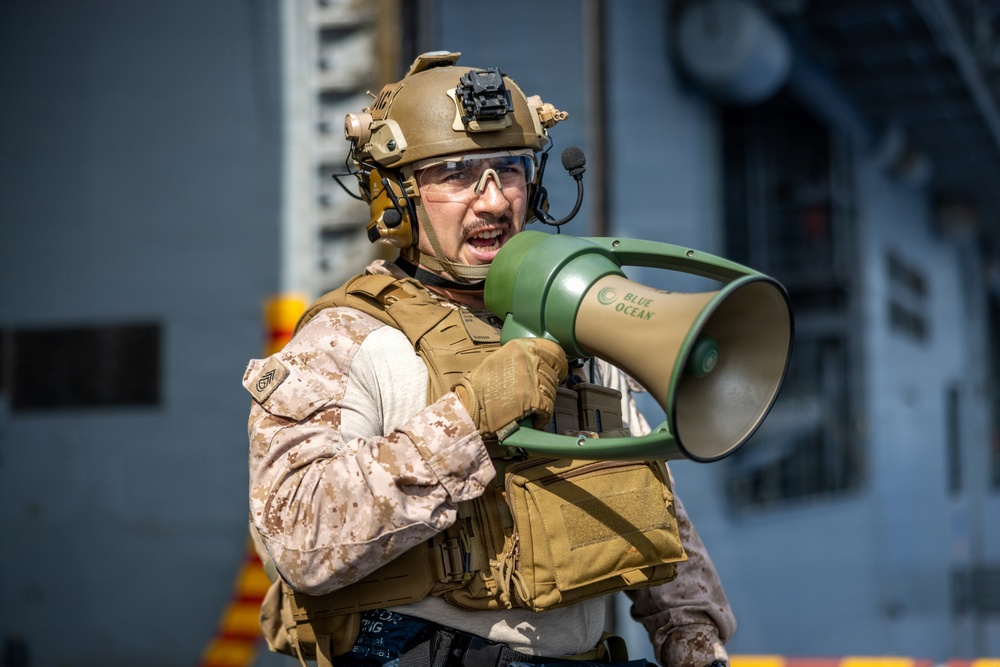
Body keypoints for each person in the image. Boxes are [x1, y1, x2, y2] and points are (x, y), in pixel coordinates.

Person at [243, 51, 735, 667]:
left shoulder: (580, 314)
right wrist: (471, 419)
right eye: (454, 173)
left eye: (509, 169)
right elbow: (298, 537)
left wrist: (691, 634)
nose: (495, 201)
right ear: (394, 193)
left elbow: (644, 489)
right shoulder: (350, 336)